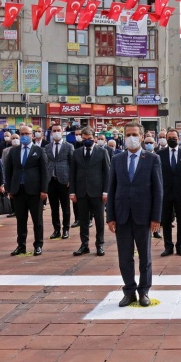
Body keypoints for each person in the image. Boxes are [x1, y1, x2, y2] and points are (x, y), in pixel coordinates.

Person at [107, 122, 163, 307]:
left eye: (134, 134)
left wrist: (156, 217)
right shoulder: (117, 159)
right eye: (128, 134)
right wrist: (110, 216)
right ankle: (129, 291)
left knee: (145, 256)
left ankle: (144, 291)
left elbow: (158, 190)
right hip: (122, 214)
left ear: (141, 137)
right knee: (125, 256)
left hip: (143, 214)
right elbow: (112, 188)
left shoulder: (152, 159)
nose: (131, 138)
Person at [6, 125, 49, 256]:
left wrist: (44, 190)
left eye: (27, 134)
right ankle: (21, 245)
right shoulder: (13, 151)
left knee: (37, 220)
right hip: (18, 190)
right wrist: (9, 189)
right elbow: (8, 171)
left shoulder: (39, 151)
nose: (25, 136)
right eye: (22, 134)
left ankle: (38, 245)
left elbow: (44, 172)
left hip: (35, 191)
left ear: (32, 135)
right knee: (20, 220)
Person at [70, 126, 110, 257]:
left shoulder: (102, 152)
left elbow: (107, 173)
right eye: (85, 139)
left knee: (99, 220)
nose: (87, 141)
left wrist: (106, 191)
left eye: (90, 139)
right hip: (81, 192)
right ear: (82, 138)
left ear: (95, 138)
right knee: (83, 220)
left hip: (98, 192)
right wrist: (72, 191)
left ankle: (100, 245)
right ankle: (84, 245)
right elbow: (73, 174)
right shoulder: (76, 153)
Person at [156, 129, 181, 257]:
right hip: (165, 193)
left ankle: (180, 246)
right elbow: (157, 175)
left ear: (178, 138)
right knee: (165, 221)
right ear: (166, 139)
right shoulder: (159, 154)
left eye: (174, 137)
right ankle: (168, 247)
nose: (172, 139)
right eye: (169, 137)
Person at [45, 124, 74, 240]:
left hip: (64, 180)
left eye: (58, 130)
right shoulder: (47, 147)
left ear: (62, 132)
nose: (56, 132)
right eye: (54, 131)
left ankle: (66, 229)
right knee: (54, 207)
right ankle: (56, 229)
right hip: (51, 181)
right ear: (51, 133)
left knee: (66, 207)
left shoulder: (69, 146)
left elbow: (72, 165)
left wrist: (71, 180)